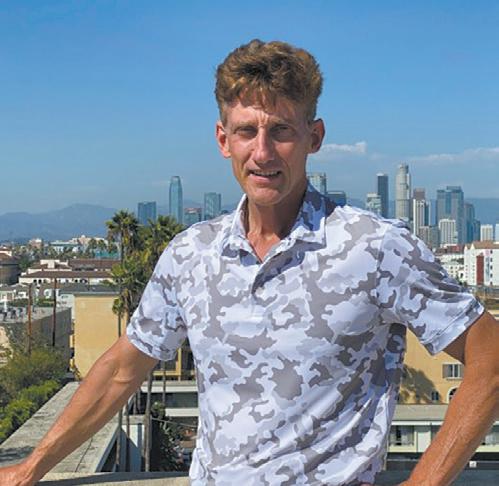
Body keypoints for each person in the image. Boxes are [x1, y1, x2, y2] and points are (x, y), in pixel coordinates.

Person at [1, 39, 498, 486]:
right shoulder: (191, 254)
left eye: (281, 130)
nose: (262, 152)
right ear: (223, 140)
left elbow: (491, 360)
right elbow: (121, 371)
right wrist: (31, 467)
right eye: (246, 131)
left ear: (314, 136)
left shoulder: (375, 248)